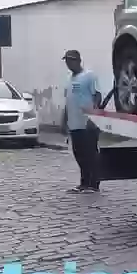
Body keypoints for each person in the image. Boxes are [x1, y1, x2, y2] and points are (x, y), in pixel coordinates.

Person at [61, 50, 102, 193]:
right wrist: (64, 120)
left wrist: (94, 116)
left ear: (78, 61)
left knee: (90, 154)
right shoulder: (69, 80)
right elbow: (68, 102)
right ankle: (84, 183)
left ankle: (93, 184)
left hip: (87, 124)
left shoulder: (89, 76)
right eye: (67, 61)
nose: (68, 63)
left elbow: (97, 95)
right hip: (74, 124)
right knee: (79, 154)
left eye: (71, 60)